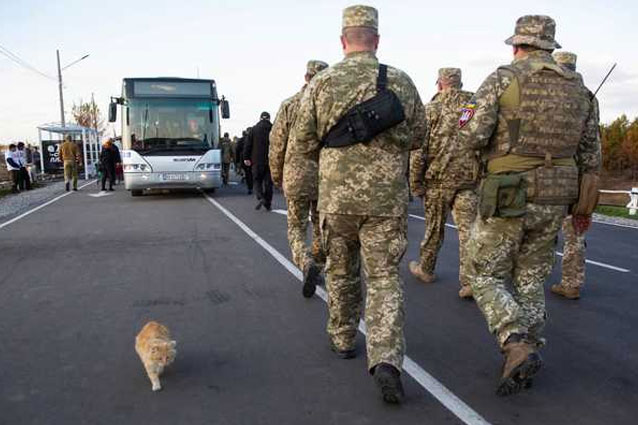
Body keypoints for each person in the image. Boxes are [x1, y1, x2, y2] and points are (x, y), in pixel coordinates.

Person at [288, 5, 426, 404]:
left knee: (343, 271)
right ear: (377, 40)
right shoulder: (399, 80)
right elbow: (420, 135)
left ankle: (344, 337)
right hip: (386, 200)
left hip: (337, 199)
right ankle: (385, 360)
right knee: (384, 279)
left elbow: (302, 143)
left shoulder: (322, 83)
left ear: (343, 41)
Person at [458, 15, 601, 396]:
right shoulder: (580, 88)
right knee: (531, 277)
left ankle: (514, 340)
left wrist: (469, 120)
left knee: (484, 273)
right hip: (557, 194)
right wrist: (583, 206)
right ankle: (529, 353)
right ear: (551, 47)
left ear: (517, 45)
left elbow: (470, 132)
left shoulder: (504, 77)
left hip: (510, 188)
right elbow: (591, 152)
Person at [408, 68, 478, 299]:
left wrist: (415, 183)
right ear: (460, 83)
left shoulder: (432, 109)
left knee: (434, 230)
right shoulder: (473, 108)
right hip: (468, 180)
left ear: (440, 84)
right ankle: (469, 281)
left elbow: (419, 150)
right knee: (469, 232)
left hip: (438, 181)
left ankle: (426, 269)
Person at [270, 59, 329, 298]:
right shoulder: (331, 107)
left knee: (295, 227)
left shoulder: (290, 104)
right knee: (320, 226)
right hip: (325, 177)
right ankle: (318, 263)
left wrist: (277, 175)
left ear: (306, 77)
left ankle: (305, 263)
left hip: (296, 176)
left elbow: (277, 144)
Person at [550, 51, 600, 300]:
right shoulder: (588, 96)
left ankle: (534, 275)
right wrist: (590, 178)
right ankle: (571, 282)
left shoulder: (549, 91)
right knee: (576, 232)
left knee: (542, 229)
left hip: (549, 174)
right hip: (579, 177)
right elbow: (593, 145)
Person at [243, 113, 273, 210]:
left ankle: (260, 196)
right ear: (269, 118)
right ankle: (268, 203)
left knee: (257, 180)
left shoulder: (254, 129)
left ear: (260, 118)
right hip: (270, 160)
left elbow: (248, 145)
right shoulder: (274, 128)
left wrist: (246, 158)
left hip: (256, 160)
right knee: (268, 183)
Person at [242, 128, 254, 194]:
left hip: (246, 159)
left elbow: (238, 149)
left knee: (248, 174)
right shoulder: (256, 139)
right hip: (254, 159)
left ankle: (250, 187)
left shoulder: (242, 139)